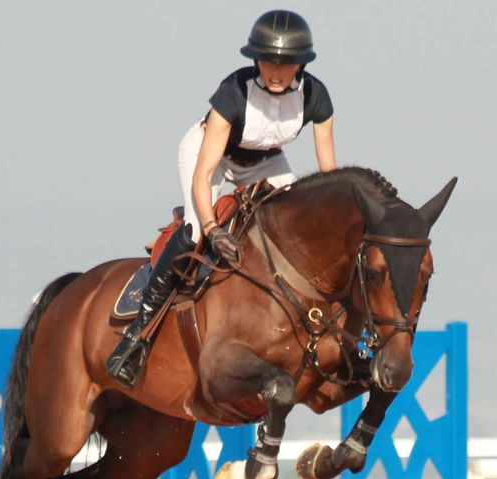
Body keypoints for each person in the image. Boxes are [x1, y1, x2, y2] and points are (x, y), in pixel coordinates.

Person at [107, 9, 337, 387]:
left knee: (295, 221)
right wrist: (214, 229)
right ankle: (137, 337)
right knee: (195, 228)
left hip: (266, 162)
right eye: (266, 62)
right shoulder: (233, 92)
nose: (275, 72)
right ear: (255, 59)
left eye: (286, 64)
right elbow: (203, 173)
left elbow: (329, 174)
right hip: (210, 157)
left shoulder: (316, 96)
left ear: (301, 64)